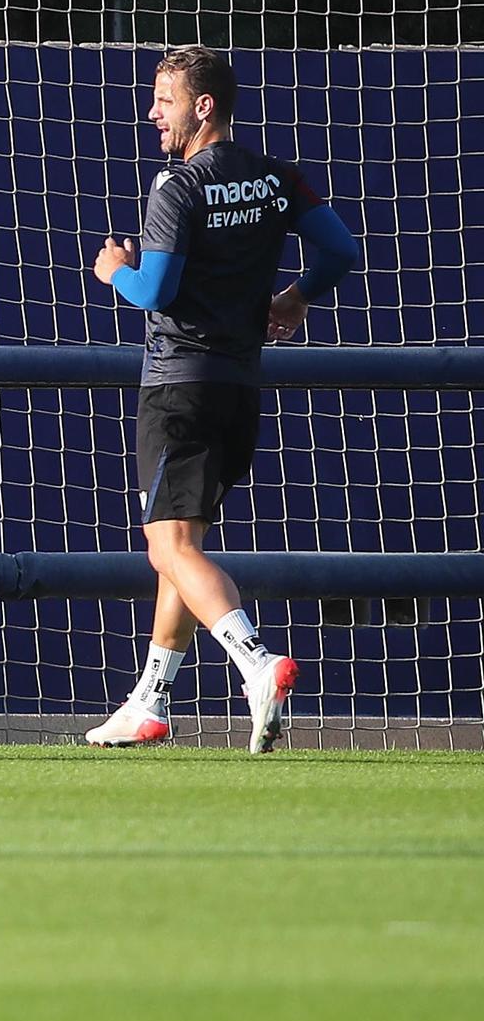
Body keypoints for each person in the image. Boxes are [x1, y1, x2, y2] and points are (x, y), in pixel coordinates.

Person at [88, 46, 360, 753]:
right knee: (184, 546)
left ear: (202, 105)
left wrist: (116, 268)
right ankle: (150, 700)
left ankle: (255, 660)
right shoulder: (277, 178)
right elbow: (340, 251)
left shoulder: (177, 186)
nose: (152, 111)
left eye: (164, 98)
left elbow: (156, 292)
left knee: (166, 545)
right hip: (241, 390)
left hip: (180, 385)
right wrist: (297, 297)